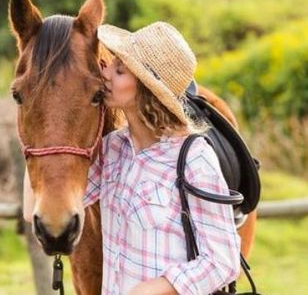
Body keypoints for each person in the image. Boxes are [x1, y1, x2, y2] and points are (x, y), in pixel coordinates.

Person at [24, 22, 241, 295]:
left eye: (119, 70)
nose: (105, 73)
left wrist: (149, 290)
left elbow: (223, 262)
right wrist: (36, 116)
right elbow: (32, 208)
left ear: (146, 87)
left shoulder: (194, 159)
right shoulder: (114, 149)